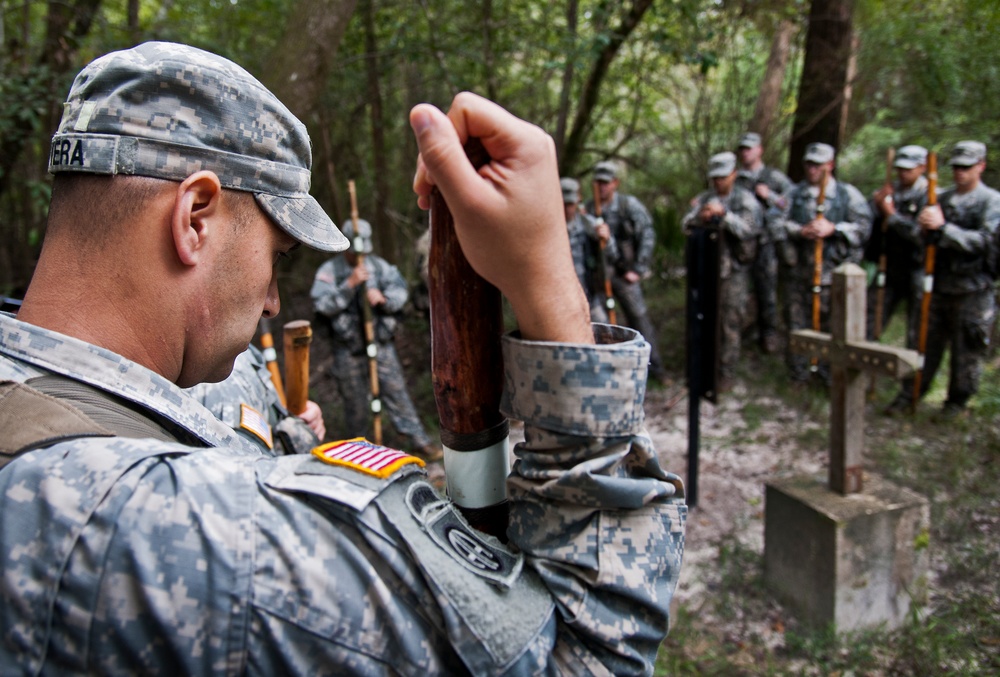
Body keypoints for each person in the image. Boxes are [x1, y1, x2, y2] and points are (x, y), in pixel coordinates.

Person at [0, 42, 687, 674]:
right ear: (195, 217)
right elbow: (587, 652)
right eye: (277, 256)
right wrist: (549, 288)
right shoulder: (208, 536)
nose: (272, 299)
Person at [311, 216, 441, 460]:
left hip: (380, 345)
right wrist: (349, 285)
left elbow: (401, 293)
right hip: (348, 350)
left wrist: (383, 299)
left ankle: (420, 441)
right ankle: (358, 451)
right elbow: (322, 306)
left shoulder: (380, 267)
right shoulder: (329, 272)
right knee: (355, 404)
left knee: (397, 393)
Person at [886, 141, 1000, 417]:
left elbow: (985, 242)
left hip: (972, 289)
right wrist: (923, 227)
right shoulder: (941, 198)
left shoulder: (991, 201)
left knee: (966, 350)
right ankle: (910, 393)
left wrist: (944, 228)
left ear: (980, 167)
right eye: (956, 167)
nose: (960, 172)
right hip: (937, 284)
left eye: (966, 167)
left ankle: (956, 403)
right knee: (923, 342)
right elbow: (920, 238)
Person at [776, 142, 873, 383]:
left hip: (832, 276)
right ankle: (798, 375)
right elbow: (774, 223)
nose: (812, 170)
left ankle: (828, 376)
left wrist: (834, 229)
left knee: (833, 328)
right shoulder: (793, 194)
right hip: (799, 274)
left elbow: (864, 228)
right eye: (809, 164)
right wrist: (800, 231)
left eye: (818, 165)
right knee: (797, 325)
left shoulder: (847, 195)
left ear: (830, 166)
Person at [683, 152, 763, 389]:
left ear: (733, 175)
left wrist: (724, 216)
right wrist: (702, 216)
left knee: (730, 321)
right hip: (708, 271)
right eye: (714, 177)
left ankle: (726, 371)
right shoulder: (705, 198)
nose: (718, 182)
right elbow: (685, 224)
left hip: (735, 271)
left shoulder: (745, 200)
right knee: (705, 319)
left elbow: (749, 230)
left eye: (722, 176)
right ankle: (705, 368)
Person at [585, 160, 667, 382]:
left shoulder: (628, 205)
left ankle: (655, 369)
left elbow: (647, 235)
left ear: (615, 183)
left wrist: (638, 269)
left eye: (606, 182)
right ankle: (613, 372)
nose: (602, 187)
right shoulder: (589, 210)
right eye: (598, 182)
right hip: (601, 277)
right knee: (604, 325)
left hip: (625, 274)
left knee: (639, 319)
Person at [186, 343, 327, 455]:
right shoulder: (226, 374)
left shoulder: (241, 353)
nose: (271, 310)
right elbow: (248, 477)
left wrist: (299, 428)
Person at [864, 145, 929, 347]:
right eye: (900, 169)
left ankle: (913, 376)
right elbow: (868, 226)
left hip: (917, 269)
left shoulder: (930, 196)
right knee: (869, 320)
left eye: (908, 169)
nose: (902, 173)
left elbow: (920, 235)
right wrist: (876, 205)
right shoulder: (890, 193)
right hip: (889, 267)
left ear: (922, 168)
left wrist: (891, 215)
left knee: (917, 331)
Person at [736, 132, 794, 354]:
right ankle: (741, 334)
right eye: (742, 149)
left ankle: (768, 334)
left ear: (759, 149)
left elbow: (789, 204)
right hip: (741, 245)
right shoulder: (737, 179)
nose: (745, 152)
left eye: (749, 148)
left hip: (766, 243)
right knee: (739, 292)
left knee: (767, 291)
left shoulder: (774, 178)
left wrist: (770, 196)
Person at [561, 176, 617, 323]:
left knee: (601, 330)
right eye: (564, 204)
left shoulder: (588, 224)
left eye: (570, 204)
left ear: (577, 201)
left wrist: (607, 238)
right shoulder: (548, 228)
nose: (567, 209)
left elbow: (612, 254)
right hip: (560, 299)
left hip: (588, 295)